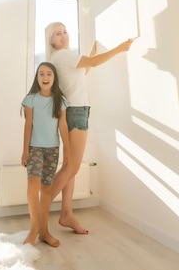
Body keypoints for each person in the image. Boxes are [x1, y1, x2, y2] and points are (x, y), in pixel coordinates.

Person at [45, 21, 133, 235]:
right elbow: (92, 64)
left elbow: (81, 74)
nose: (64, 36)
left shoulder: (62, 58)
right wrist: (119, 48)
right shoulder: (60, 56)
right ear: (51, 40)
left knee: (70, 167)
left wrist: (91, 54)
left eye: (65, 32)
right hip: (76, 112)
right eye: (58, 34)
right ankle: (41, 208)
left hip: (73, 111)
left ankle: (66, 214)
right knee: (72, 167)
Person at [21, 61, 70, 247]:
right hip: (34, 148)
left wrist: (68, 150)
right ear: (37, 77)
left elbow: (63, 126)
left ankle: (44, 232)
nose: (45, 77)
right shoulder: (31, 99)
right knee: (33, 185)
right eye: (41, 74)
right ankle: (34, 229)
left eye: (49, 74)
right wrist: (25, 150)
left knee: (47, 190)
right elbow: (28, 125)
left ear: (54, 78)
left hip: (53, 149)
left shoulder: (61, 101)